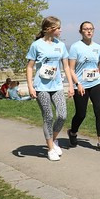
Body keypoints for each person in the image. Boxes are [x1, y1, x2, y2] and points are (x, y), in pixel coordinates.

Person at [26, 16, 75, 161]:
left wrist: (71, 85)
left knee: (62, 115)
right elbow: (29, 67)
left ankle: (53, 140)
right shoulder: (36, 45)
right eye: (58, 28)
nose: (60, 30)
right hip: (41, 87)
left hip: (57, 86)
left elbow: (66, 66)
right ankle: (50, 148)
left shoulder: (60, 45)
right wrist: (30, 86)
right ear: (49, 29)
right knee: (48, 116)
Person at [67, 21, 100, 152]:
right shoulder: (75, 47)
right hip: (81, 85)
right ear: (81, 32)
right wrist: (77, 84)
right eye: (86, 29)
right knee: (81, 114)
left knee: (99, 111)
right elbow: (71, 69)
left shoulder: (98, 47)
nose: (89, 31)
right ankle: (73, 132)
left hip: (96, 83)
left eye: (91, 29)